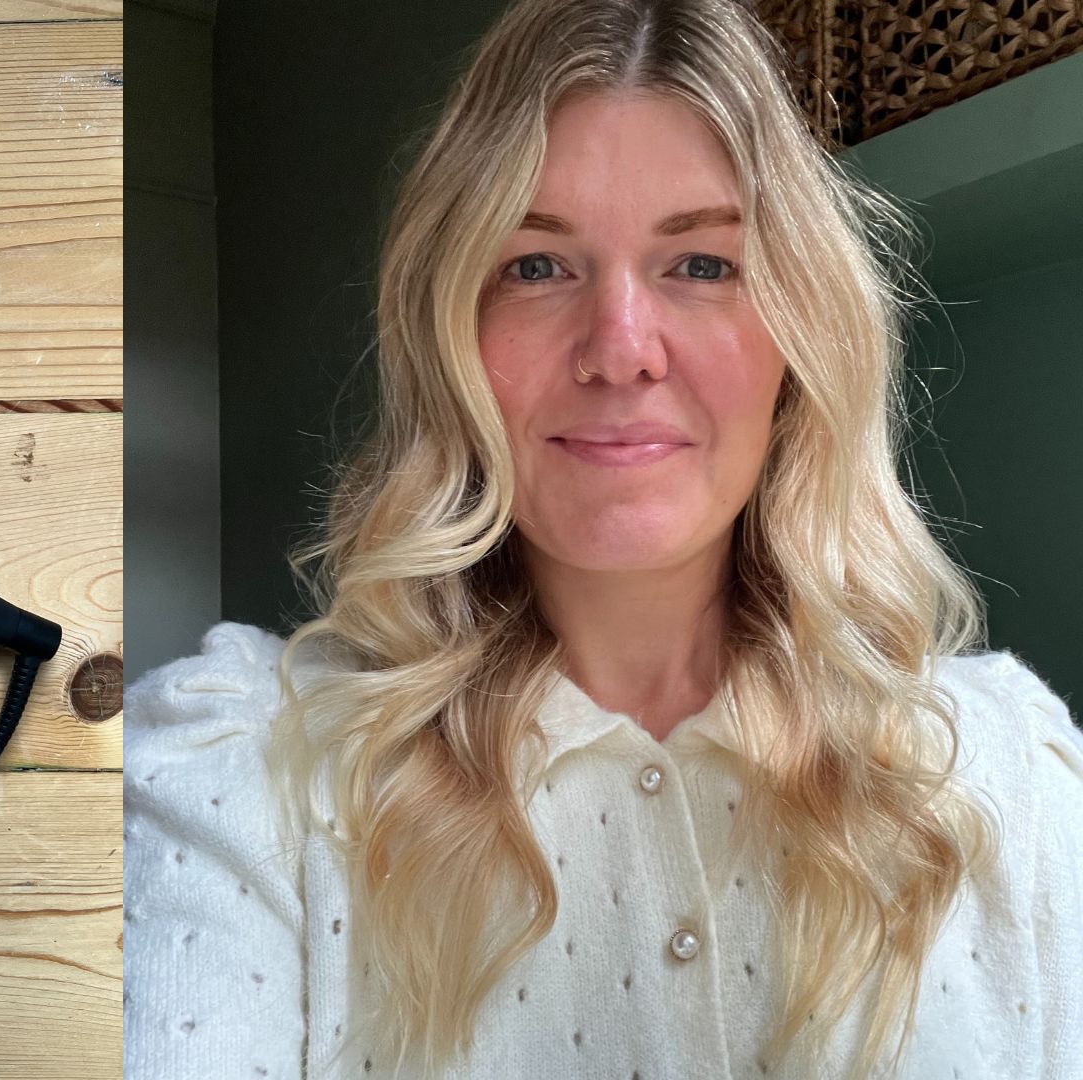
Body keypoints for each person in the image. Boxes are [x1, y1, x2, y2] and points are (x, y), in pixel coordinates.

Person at [122, 0, 1083, 1077]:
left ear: (801, 334)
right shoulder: (246, 768)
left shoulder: (1016, 778)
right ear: (447, 334)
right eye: (536, 266)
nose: (622, 350)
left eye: (703, 264)